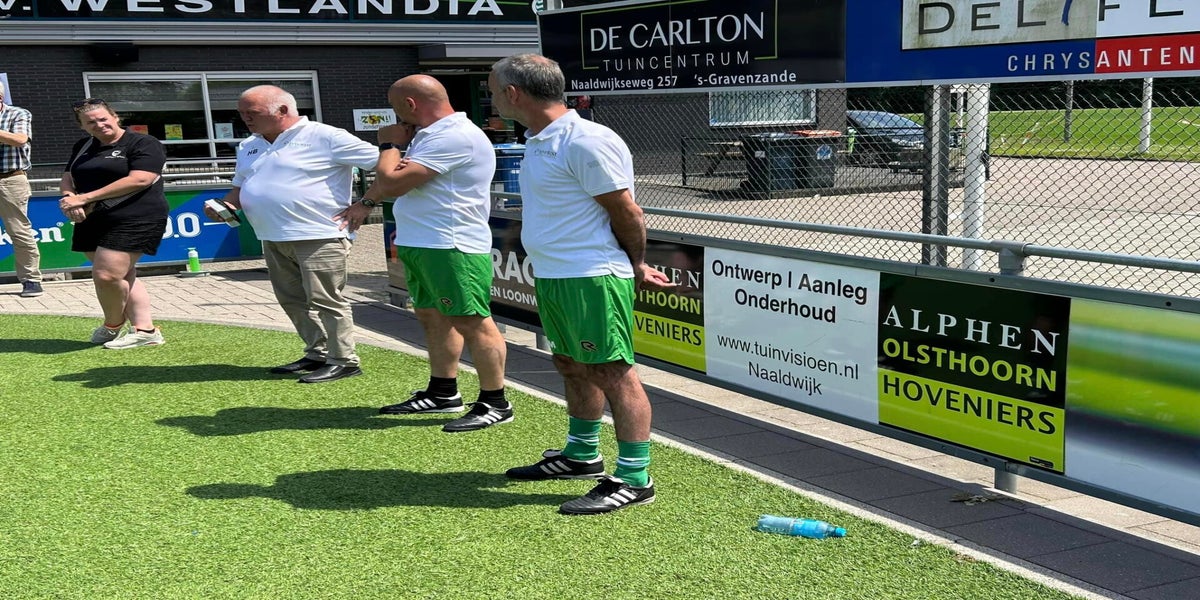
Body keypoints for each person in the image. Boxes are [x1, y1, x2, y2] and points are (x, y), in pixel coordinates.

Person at [488, 54, 674, 515]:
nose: (492, 100)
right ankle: (582, 455)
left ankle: (636, 479)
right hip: (555, 275)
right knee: (570, 363)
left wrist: (636, 264)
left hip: (591, 276)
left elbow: (627, 212)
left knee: (613, 372)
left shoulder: (585, 140)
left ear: (513, 93)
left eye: (493, 91)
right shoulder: (538, 140)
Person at [337, 74, 512, 433]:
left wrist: (388, 145)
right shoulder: (428, 135)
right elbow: (393, 180)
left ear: (410, 104)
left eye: (395, 107)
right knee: (433, 316)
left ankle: (496, 402)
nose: (394, 116)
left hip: (451, 244)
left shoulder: (453, 136)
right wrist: (369, 198)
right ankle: (443, 392)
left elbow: (392, 181)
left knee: (472, 321)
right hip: (424, 242)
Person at [206, 85, 377, 384]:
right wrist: (226, 206)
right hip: (271, 235)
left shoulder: (326, 136)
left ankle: (344, 360)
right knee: (291, 299)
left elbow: (388, 165)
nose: (245, 118)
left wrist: (366, 204)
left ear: (282, 110)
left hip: (319, 234)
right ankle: (317, 352)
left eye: (252, 112)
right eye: (241, 113)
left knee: (326, 299)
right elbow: (240, 187)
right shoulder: (249, 145)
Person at [59, 98, 167, 349]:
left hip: (136, 216)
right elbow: (67, 177)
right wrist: (69, 199)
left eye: (103, 118)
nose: (99, 125)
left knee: (106, 275)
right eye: (91, 122)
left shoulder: (143, 143)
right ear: (82, 126)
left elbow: (141, 179)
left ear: (115, 117)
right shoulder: (83, 145)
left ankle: (112, 324)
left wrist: (84, 198)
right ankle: (145, 330)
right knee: (123, 275)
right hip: (92, 219)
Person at [0, 79, 44, 298]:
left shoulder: (18, 113)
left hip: (10, 179)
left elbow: (19, 139)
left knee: (18, 231)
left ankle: (31, 280)